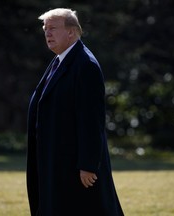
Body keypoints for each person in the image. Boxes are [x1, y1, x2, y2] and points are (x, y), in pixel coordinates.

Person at [26, 8, 125, 216]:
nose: (47, 33)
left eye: (53, 28)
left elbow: (91, 120)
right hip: (57, 162)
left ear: (71, 32)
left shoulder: (85, 65)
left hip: (75, 168)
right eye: (45, 29)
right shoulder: (60, 60)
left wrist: (88, 164)